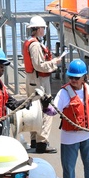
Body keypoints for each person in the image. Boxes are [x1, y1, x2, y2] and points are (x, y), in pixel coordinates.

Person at [22, 15, 62, 154]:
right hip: (39, 82)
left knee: (34, 111)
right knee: (46, 111)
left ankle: (34, 140)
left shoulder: (29, 42)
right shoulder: (35, 45)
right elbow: (39, 65)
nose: (44, 30)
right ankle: (42, 142)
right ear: (38, 29)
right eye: (43, 28)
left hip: (32, 79)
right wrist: (54, 63)